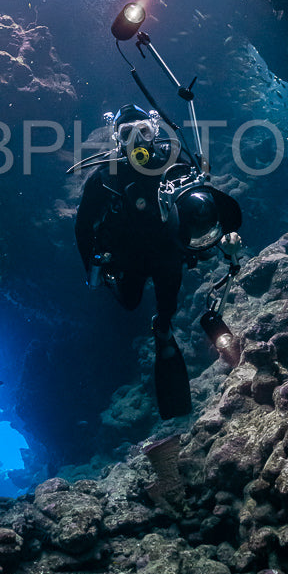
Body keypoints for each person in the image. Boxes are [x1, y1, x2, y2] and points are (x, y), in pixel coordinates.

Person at [74, 103, 194, 419]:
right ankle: (123, 291)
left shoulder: (172, 164)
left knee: (167, 311)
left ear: (154, 132)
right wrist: (94, 267)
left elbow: (199, 200)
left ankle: (162, 329)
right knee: (130, 303)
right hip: (128, 260)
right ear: (117, 139)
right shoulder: (103, 178)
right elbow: (82, 225)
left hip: (166, 253)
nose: (137, 141)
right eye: (128, 134)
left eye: (143, 130)